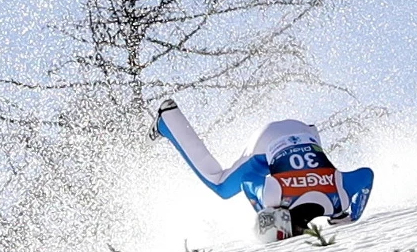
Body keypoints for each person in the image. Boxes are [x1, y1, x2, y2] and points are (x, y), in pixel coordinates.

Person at [152, 99, 373, 241]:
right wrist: (263, 211)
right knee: (221, 186)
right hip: (270, 141)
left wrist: (350, 215)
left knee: (303, 164)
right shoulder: (274, 196)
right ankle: (168, 120)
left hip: (305, 133)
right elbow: (247, 181)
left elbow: (366, 176)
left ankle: (170, 119)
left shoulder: (340, 198)